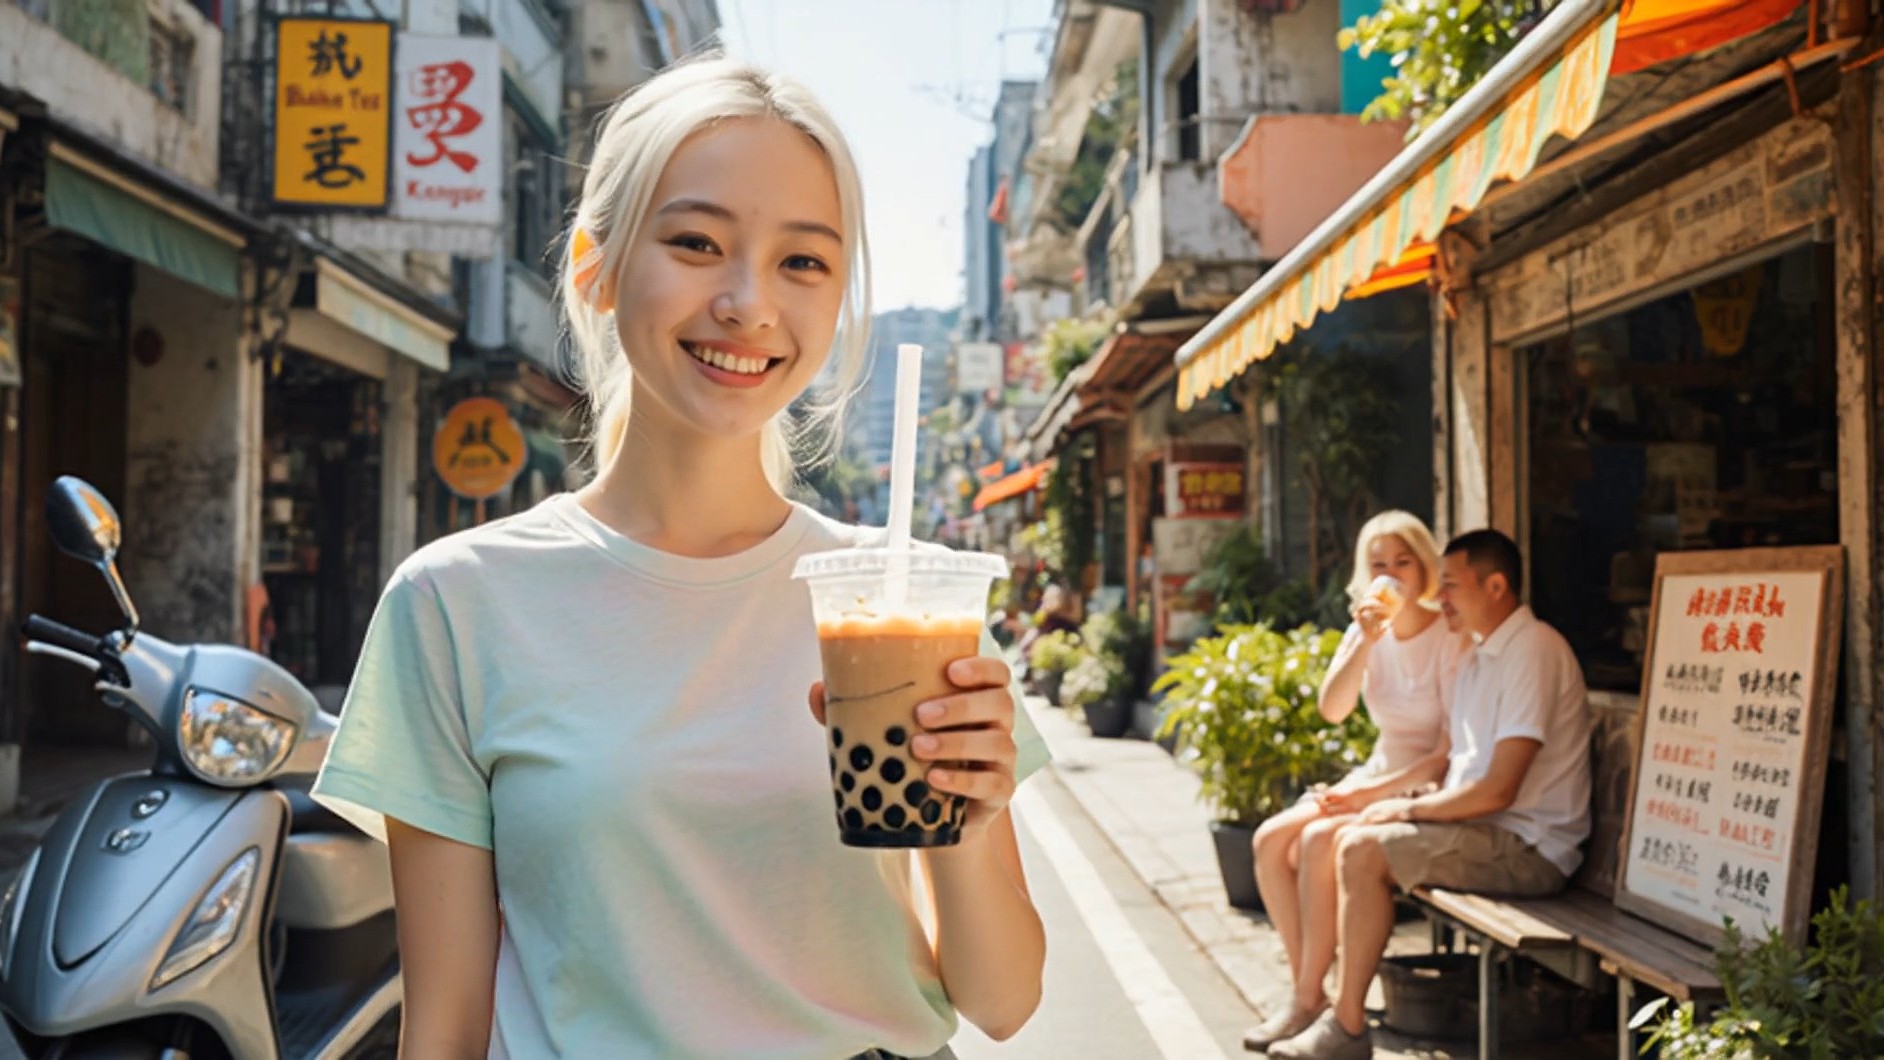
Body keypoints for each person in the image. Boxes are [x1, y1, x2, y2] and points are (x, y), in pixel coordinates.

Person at [310, 54, 1051, 1059]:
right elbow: (442, 1026)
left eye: (803, 262)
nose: (749, 303)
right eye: (697, 243)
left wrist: (968, 815)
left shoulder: (905, 603)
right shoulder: (456, 603)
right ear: (597, 266)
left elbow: (1003, 1000)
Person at [1269, 529, 1592, 1060]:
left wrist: (1405, 807)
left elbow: (1498, 789)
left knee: (1361, 849)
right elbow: (1459, 768)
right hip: (1484, 831)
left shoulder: (1533, 650)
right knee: (1335, 835)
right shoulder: (1480, 655)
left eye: (1451, 586)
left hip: (1530, 848)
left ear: (1495, 586)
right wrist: (1380, 803)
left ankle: (1346, 1025)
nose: (1438, 598)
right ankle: (1314, 1001)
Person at [1243, 512, 1468, 1053]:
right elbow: (1333, 709)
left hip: (1422, 783)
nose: (1391, 574)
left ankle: (1309, 1002)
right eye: (1378, 564)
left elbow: (1443, 754)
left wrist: (1365, 797)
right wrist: (1365, 642)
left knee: (1319, 839)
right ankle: (1308, 992)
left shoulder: (1449, 635)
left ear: (1425, 567)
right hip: (1376, 769)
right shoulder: (1368, 629)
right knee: (1270, 840)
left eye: (1403, 562)